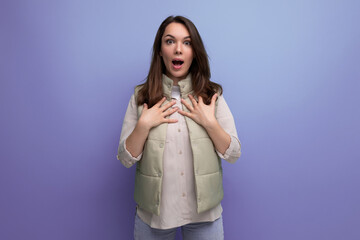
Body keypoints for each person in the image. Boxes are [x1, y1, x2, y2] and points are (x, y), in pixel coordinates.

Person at [117, 15, 241, 240]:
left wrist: (209, 123)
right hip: (154, 217)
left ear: (195, 52)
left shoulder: (212, 97)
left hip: (205, 217)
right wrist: (143, 125)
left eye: (187, 42)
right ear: (159, 51)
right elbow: (125, 159)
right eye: (169, 41)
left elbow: (233, 154)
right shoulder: (140, 96)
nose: (178, 49)